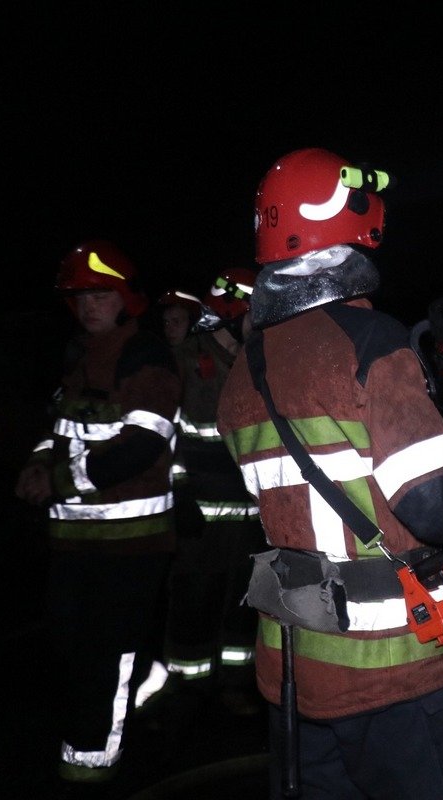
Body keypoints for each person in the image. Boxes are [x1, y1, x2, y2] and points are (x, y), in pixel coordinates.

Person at [216, 147, 443, 799]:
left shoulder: (246, 371)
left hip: (295, 673)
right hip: (403, 679)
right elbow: (435, 504)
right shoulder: (370, 344)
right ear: (357, 224)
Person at [14, 239, 180, 795]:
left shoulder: (148, 358)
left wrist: (60, 481)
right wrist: (38, 463)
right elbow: (58, 429)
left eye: (100, 295)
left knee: (104, 654)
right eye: (80, 297)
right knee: (71, 646)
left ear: (125, 299)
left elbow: (139, 447)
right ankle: (148, 673)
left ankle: (92, 768)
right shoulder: (77, 355)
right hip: (72, 543)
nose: (89, 307)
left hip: (131, 544)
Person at [158, 267, 265, 717]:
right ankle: (185, 690)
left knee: (243, 603)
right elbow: (160, 432)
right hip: (199, 514)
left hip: (250, 517)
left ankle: (234, 687)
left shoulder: (259, 364)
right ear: (233, 312)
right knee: (194, 602)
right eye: (254, 313)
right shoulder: (185, 360)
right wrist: (178, 494)